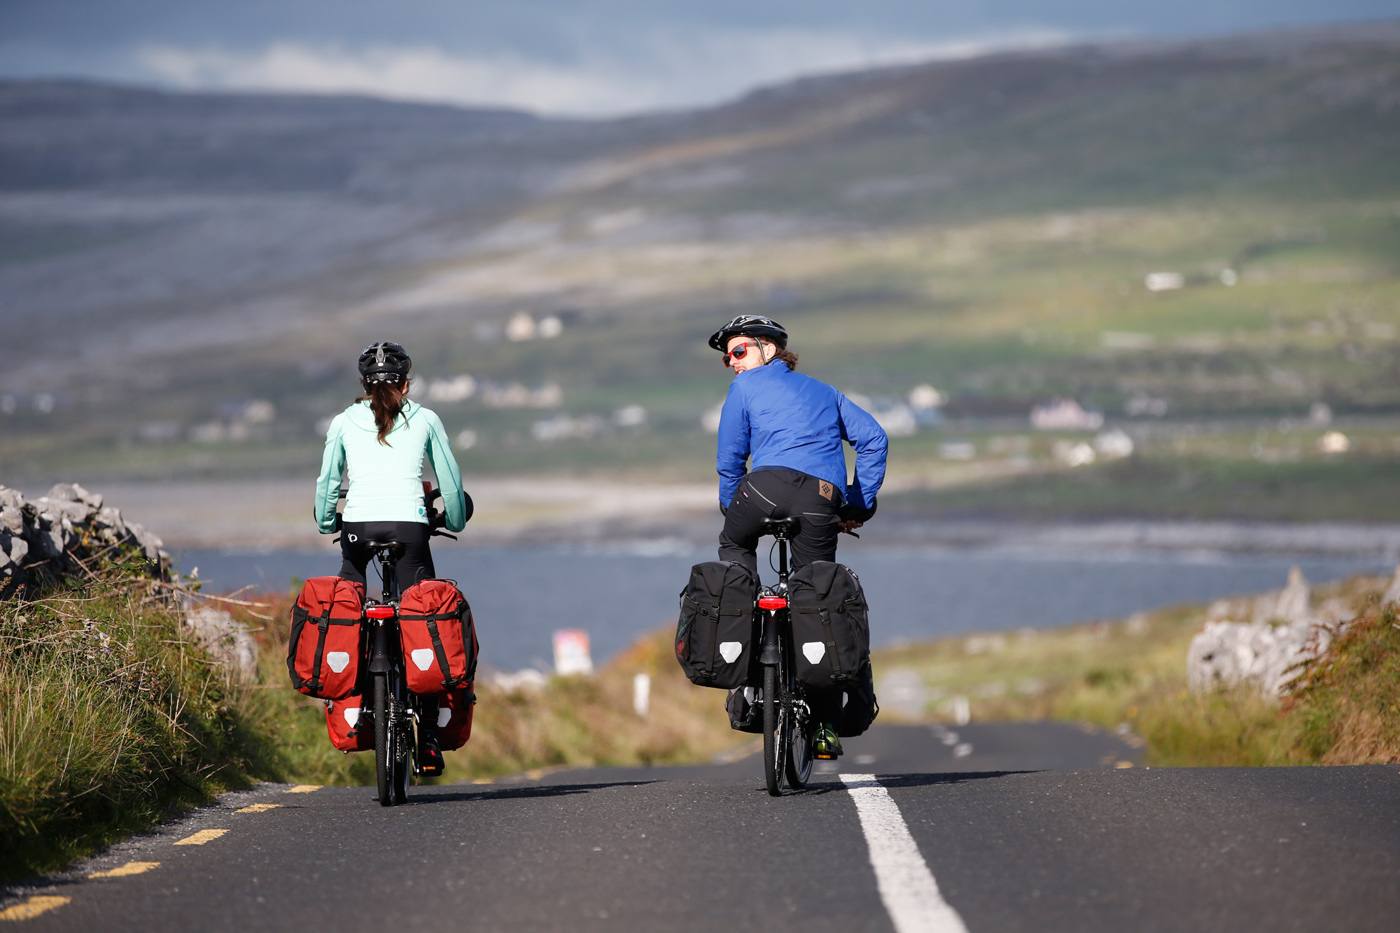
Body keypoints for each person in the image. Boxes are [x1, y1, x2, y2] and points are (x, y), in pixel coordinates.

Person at [709, 314, 888, 758]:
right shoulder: (826, 393)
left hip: (761, 491)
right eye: (727, 357)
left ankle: (745, 661)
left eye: (739, 351)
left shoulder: (744, 390)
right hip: (820, 498)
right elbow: (875, 440)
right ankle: (825, 726)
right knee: (818, 602)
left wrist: (732, 506)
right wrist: (856, 505)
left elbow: (731, 460)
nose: (732, 362)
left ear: (769, 349)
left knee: (734, 546)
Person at [313, 340, 470, 773]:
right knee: (424, 616)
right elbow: (451, 484)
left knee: (347, 607)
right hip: (411, 530)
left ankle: (355, 703)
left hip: (357, 531)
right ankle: (430, 742)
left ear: (364, 384)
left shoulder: (344, 421)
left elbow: (328, 483)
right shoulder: (426, 419)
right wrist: (453, 520)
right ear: (407, 381)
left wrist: (329, 523)